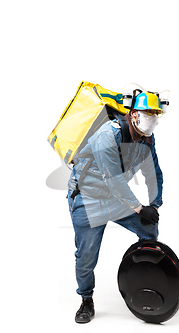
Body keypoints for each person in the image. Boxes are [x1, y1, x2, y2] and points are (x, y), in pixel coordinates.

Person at [67, 91, 164, 323]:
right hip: (88, 199)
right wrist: (140, 208)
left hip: (115, 198)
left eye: (155, 114)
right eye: (147, 113)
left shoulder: (146, 139)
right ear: (133, 114)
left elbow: (154, 173)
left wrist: (155, 205)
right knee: (87, 256)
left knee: (149, 229)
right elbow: (114, 179)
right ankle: (86, 300)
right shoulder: (107, 136)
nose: (152, 118)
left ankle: (143, 272)